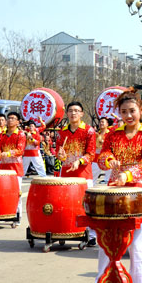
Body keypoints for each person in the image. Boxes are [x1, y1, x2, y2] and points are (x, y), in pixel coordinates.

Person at [87, 90, 142, 283]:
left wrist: (126, 175)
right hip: (114, 193)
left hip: (138, 194)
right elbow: (102, 158)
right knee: (106, 240)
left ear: (141, 111)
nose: (128, 115)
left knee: (136, 245)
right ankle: (102, 281)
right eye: (124, 111)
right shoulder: (113, 134)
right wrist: (109, 160)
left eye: (132, 111)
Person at [56, 101, 98, 245]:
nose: (73, 113)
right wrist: (60, 155)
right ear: (67, 113)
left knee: (86, 205)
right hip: (66, 173)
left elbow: (91, 154)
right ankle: (67, 229)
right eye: (70, 111)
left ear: (81, 113)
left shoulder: (89, 131)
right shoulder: (62, 132)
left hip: (83, 174)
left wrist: (79, 162)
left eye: (76, 111)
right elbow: (59, 153)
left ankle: (91, 234)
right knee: (67, 203)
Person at [0, 112, 26, 226]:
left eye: (13, 118)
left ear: (18, 122)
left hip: (16, 170)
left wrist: (6, 154)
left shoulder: (21, 135)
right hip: (3, 169)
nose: (10, 120)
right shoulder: (2, 135)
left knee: (17, 194)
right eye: (9, 118)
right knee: (2, 193)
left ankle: (17, 216)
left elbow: (20, 151)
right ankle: (1, 214)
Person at [91, 118, 111, 184]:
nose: (101, 123)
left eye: (103, 122)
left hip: (107, 157)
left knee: (109, 177)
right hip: (96, 157)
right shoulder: (96, 134)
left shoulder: (110, 134)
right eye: (100, 122)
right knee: (92, 176)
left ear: (107, 124)